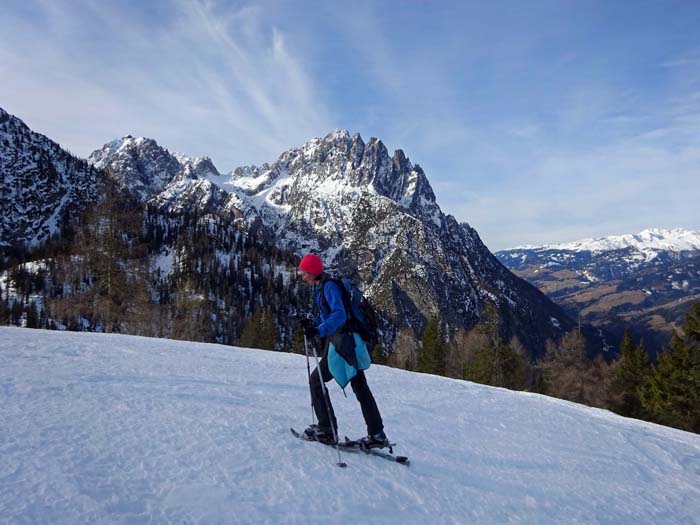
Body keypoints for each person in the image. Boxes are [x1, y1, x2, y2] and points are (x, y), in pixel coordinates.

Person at [298, 253, 389, 449]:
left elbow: (339, 315)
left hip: (343, 345)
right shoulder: (324, 286)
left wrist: (319, 330)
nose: (302, 276)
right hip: (349, 343)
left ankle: (326, 429)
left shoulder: (329, 287)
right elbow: (331, 315)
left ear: (313, 272)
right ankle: (377, 434)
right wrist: (314, 325)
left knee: (317, 380)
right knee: (360, 387)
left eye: (304, 272)